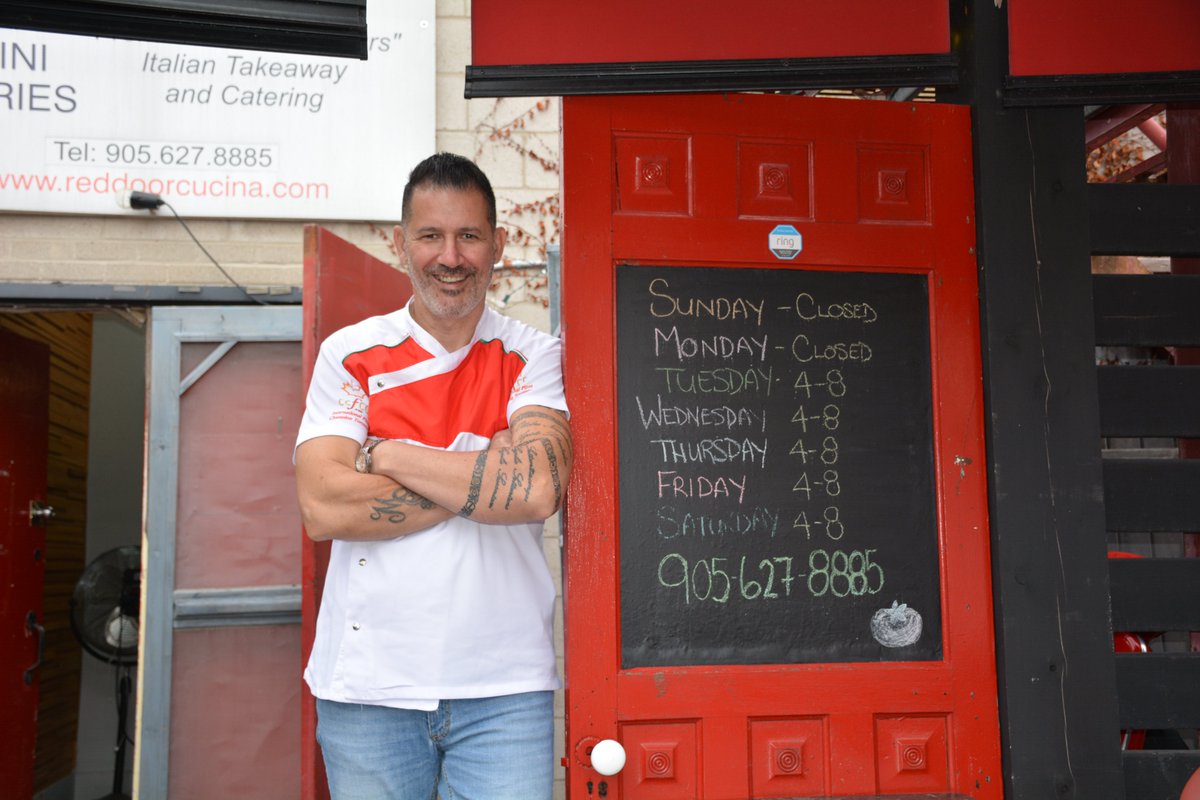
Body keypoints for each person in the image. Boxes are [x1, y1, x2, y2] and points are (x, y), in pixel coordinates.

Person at [294, 152, 573, 800]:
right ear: (401, 244)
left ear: (498, 245)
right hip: (368, 689)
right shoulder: (350, 354)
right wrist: (483, 464)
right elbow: (323, 506)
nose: (451, 256)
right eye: (431, 236)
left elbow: (535, 490)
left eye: (469, 235)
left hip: (504, 691)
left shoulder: (532, 353)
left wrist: (387, 454)